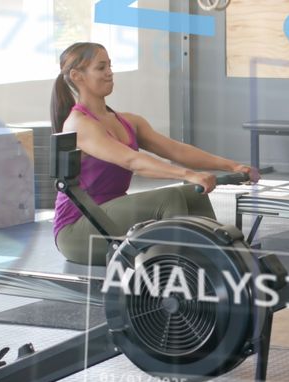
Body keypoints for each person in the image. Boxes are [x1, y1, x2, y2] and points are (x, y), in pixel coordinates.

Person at [50, 41, 258, 265]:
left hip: (111, 216)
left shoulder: (128, 121)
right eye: (101, 68)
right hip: (80, 229)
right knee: (170, 197)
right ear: (77, 76)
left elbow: (176, 149)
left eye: (110, 66)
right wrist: (188, 174)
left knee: (192, 192)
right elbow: (132, 161)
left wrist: (231, 166)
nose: (110, 73)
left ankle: (215, 261)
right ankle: (179, 271)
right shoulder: (79, 124)